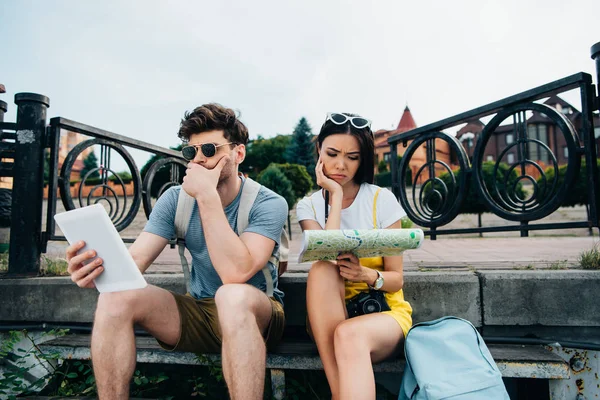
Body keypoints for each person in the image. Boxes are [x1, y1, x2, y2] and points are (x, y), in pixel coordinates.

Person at [65, 103, 288, 400]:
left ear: (239, 153)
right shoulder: (175, 199)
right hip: (198, 312)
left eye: (209, 149)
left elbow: (236, 273)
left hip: (257, 314)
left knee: (230, 295)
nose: (199, 160)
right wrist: (98, 270)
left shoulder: (269, 203)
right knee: (114, 297)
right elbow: (136, 262)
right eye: (191, 152)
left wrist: (207, 195)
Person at [295, 112, 412, 400]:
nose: (340, 165)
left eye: (352, 157)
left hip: (381, 315)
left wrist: (366, 275)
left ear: (363, 161)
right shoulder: (308, 207)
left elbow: (396, 280)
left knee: (349, 334)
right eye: (332, 153)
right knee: (323, 268)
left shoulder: (380, 200)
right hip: (328, 318)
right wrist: (334, 195)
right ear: (319, 150)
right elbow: (327, 251)